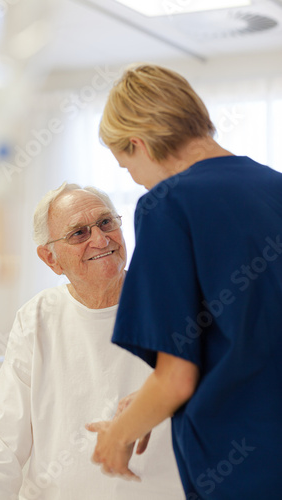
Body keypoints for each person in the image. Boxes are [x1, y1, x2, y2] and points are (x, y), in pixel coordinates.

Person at [86, 64, 282, 499]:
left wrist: (117, 436)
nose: (134, 179)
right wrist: (146, 400)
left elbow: (176, 380)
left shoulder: (167, 205)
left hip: (243, 469)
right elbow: (252, 336)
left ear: (138, 143)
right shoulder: (274, 188)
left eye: (127, 166)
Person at [0, 182, 184, 499]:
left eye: (106, 223)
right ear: (51, 258)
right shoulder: (38, 316)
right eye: (79, 233)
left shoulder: (173, 303)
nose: (100, 240)